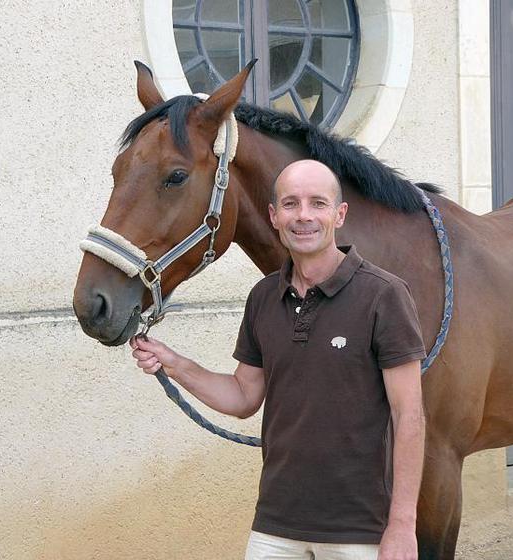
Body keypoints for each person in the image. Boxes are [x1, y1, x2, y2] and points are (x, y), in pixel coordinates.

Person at [129, 160, 426, 560]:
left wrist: (403, 525)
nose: (303, 215)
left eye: (317, 203)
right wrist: (173, 362)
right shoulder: (263, 297)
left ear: (339, 215)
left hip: (360, 530)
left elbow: (409, 416)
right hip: (275, 526)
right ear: (274, 216)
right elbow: (242, 396)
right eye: (290, 204)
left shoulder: (384, 295)